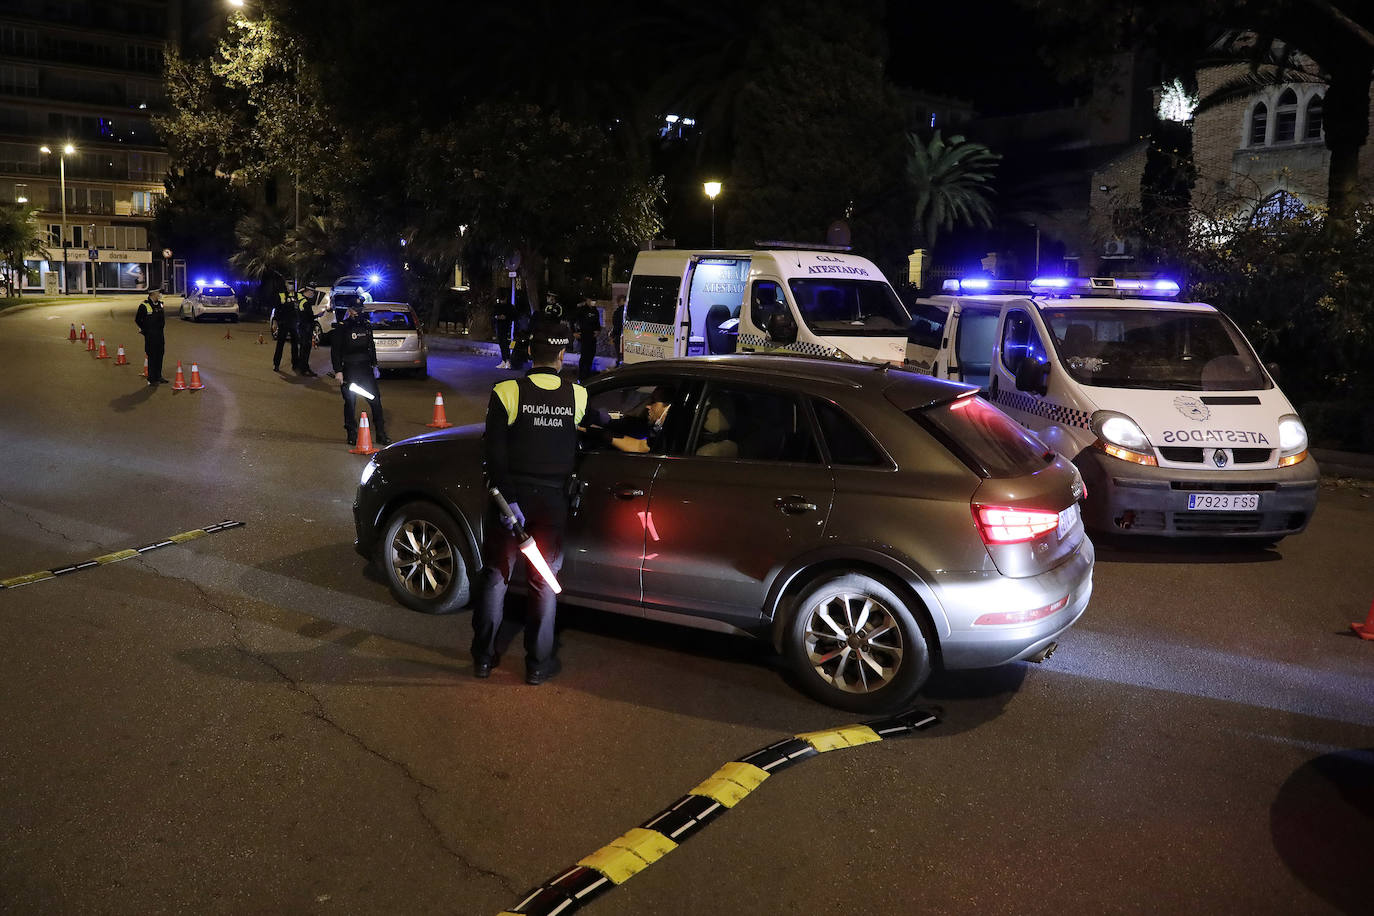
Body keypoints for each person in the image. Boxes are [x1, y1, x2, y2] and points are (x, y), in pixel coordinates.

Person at [473, 320, 587, 685]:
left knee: (495, 578)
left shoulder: (506, 391)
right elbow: (591, 428)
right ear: (561, 355)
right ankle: (537, 666)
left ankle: (483, 659)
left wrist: (509, 501)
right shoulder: (577, 395)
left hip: (510, 504)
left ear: (528, 352)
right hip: (552, 503)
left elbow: (494, 452)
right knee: (543, 581)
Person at [330, 294, 391, 447]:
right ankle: (351, 434)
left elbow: (371, 347)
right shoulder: (342, 327)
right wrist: (338, 371)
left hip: (365, 369)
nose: (358, 312)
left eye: (360, 309)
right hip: (349, 369)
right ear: (349, 310)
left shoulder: (366, 325)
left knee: (375, 401)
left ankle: (381, 434)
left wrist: (375, 366)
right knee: (350, 403)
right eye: (355, 309)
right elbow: (335, 351)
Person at [609, 386, 672, 453]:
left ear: (667, 406)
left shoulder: (670, 432)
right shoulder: (659, 429)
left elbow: (640, 447)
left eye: (653, 402)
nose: (647, 406)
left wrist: (603, 434)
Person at [134, 288, 168, 386]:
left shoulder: (160, 304)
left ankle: (158, 376)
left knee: (160, 355)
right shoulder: (144, 305)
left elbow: (162, 320)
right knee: (152, 356)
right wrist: (145, 330)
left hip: (160, 335)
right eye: (158, 292)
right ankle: (151, 378)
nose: (160, 294)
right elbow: (137, 319)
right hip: (150, 336)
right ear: (153, 293)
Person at [293, 287, 324, 376]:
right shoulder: (305, 303)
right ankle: (304, 369)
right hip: (306, 328)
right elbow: (308, 317)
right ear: (308, 292)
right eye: (312, 292)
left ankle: (301, 367)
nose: (313, 294)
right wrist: (319, 315)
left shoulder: (299, 300)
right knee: (305, 349)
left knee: (302, 348)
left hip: (301, 327)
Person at [272, 289, 301, 373]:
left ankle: (295, 364)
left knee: (295, 345)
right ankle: (276, 364)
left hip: (294, 324)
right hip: (283, 323)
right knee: (280, 344)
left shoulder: (297, 295)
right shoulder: (281, 295)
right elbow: (277, 309)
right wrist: (275, 321)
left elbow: (299, 308)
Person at [574, 296, 601, 382]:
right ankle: (581, 376)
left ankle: (588, 374)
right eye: (592, 300)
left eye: (594, 300)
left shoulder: (595, 310)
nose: (593, 302)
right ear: (587, 300)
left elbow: (597, 323)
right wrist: (574, 332)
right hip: (584, 335)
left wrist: (598, 330)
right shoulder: (581, 310)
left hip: (592, 336)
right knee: (584, 356)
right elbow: (573, 320)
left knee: (591, 355)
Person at [492, 295, 514, 369]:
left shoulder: (509, 307)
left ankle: (508, 361)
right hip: (499, 327)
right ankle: (504, 361)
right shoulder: (497, 306)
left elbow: (513, 316)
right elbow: (493, 315)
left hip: (506, 327)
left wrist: (506, 317)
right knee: (501, 344)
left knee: (505, 344)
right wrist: (497, 317)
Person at [611, 293, 626, 367]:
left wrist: (613, 335)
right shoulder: (628, 312)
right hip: (626, 337)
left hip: (619, 337)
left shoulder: (618, 312)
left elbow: (616, 325)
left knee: (619, 355)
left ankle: (619, 369)